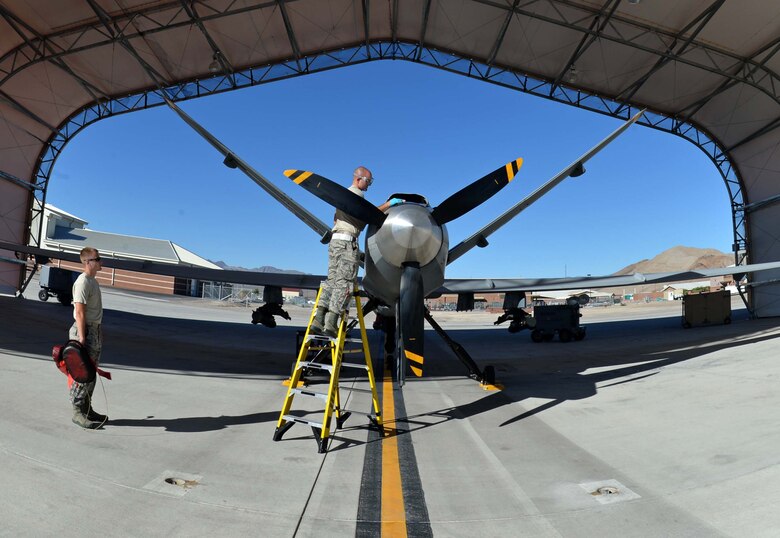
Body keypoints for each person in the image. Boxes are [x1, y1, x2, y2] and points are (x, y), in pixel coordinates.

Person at [310, 166, 400, 337]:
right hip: (347, 243)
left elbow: (335, 219)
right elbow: (367, 214)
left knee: (332, 280)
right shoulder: (355, 197)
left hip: (335, 242)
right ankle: (331, 323)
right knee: (344, 284)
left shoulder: (341, 198)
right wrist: (389, 204)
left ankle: (318, 319)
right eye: (369, 181)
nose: (369, 185)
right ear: (359, 179)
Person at [68, 247, 108, 429]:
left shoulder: (94, 282)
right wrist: (82, 338)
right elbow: (79, 312)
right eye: (97, 259)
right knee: (82, 374)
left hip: (94, 331)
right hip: (84, 332)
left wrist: (99, 332)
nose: (100, 262)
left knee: (91, 374)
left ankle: (87, 408)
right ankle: (77, 412)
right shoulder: (83, 282)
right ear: (87, 262)